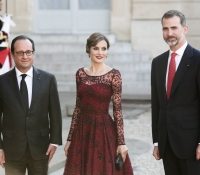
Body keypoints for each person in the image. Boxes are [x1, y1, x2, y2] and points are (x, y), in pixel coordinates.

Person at [63, 33, 133, 175]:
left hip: (104, 130)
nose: (100, 52)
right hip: (82, 130)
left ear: (107, 51)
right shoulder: (80, 74)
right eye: (96, 48)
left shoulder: (114, 75)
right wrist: (70, 139)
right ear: (89, 50)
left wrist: (121, 142)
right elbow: (77, 107)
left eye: (104, 48)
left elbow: (118, 111)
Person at [0, 35, 62, 175]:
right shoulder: (2, 82)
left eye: (29, 52)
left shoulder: (48, 79)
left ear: (33, 53)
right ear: (13, 55)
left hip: (40, 148)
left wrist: (54, 141)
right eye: (20, 53)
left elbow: (55, 113)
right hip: (12, 149)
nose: (25, 56)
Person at [151, 10, 200, 175]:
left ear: (185, 29)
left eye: (174, 28)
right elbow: (157, 105)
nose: (169, 33)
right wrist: (156, 141)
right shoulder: (157, 63)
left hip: (192, 145)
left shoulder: (198, 60)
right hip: (167, 143)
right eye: (165, 29)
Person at [0, 0, 15, 75]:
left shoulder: (1, 18)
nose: (1, 2)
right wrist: (6, 24)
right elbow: (2, 37)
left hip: (4, 56)